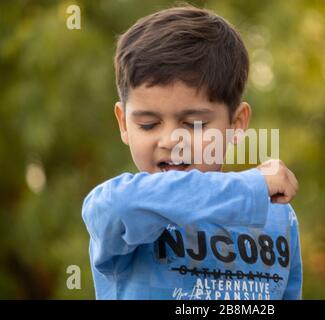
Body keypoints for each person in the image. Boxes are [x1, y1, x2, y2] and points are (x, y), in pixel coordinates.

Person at [82, 4, 302, 300]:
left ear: (236, 124)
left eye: (194, 124)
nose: (171, 140)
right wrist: (251, 187)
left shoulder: (277, 217)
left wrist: (253, 191)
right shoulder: (118, 208)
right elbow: (125, 204)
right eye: (148, 124)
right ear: (124, 123)